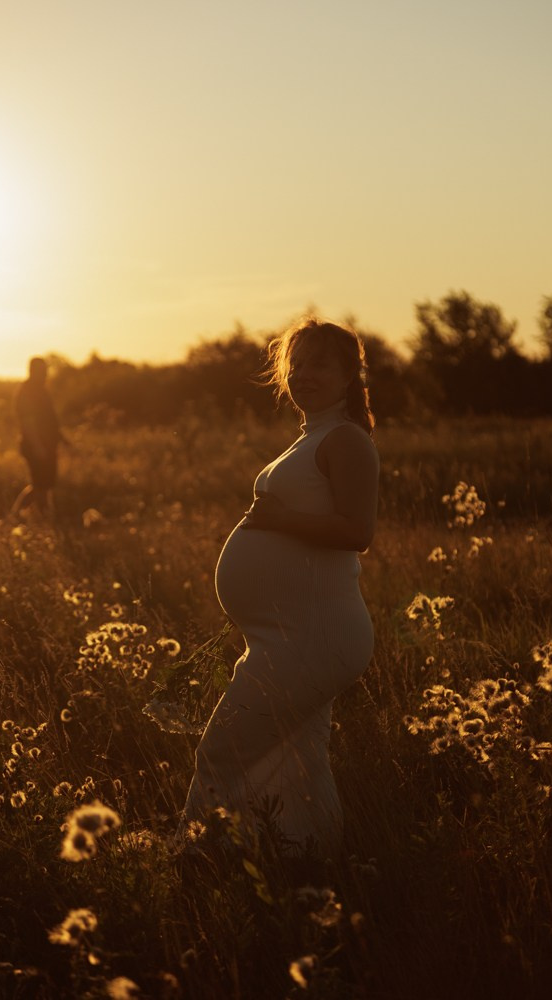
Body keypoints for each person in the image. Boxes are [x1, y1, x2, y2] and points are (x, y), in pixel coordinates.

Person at [178, 319, 380, 856]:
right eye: (298, 363)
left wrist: (281, 518)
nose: (305, 374)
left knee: (222, 752)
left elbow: (358, 533)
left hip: (313, 635)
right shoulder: (312, 438)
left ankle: (200, 860)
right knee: (298, 758)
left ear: (348, 376)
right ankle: (304, 860)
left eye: (321, 364)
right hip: (288, 634)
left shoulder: (346, 440)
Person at [10, 356, 65, 520]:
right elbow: (28, 423)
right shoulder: (27, 392)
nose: (46, 374)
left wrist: (61, 438)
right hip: (36, 446)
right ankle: (45, 518)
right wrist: (37, 446)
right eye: (43, 371)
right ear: (33, 371)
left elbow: (49, 419)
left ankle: (18, 515)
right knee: (40, 485)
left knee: (44, 485)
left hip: (47, 446)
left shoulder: (41, 390)